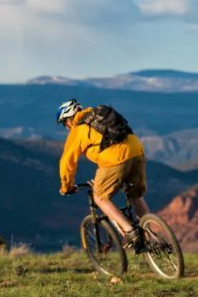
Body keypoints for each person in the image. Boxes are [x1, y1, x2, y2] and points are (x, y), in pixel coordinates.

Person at [57, 99, 149, 247]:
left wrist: (66, 187)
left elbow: (67, 162)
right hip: (136, 149)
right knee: (135, 195)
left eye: (64, 123)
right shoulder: (100, 115)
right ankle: (150, 235)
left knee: (99, 197)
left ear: (69, 118)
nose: (66, 127)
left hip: (116, 158)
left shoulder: (78, 129)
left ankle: (130, 231)